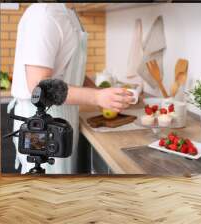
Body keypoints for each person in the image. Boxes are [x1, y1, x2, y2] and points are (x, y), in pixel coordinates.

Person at [10, 3, 134, 174]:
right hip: (42, 123)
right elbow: (40, 88)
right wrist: (96, 97)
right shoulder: (44, 16)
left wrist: (101, 94)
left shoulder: (69, 14)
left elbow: (73, 72)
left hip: (64, 117)